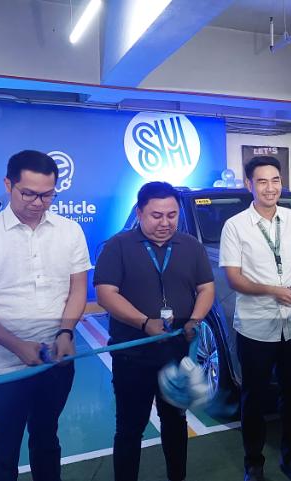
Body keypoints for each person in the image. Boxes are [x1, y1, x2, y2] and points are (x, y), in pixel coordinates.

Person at [0, 150, 92, 481]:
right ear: (8, 184)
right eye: (28, 193)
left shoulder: (70, 232)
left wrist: (66, 333)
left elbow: (76, 291)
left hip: (57, 359)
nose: (38, 202)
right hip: (5, 364)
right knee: (4, 446)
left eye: (47, 194)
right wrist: (17, 346)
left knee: (47, 438)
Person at [94, 181, 215, 481]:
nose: (165, 223)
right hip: (132, 354)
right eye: (156, 215)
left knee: (175, 422)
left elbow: (206, 288)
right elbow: (106, 293)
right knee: (129, 427)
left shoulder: (190, 246)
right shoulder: (118, 246)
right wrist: (143, 322)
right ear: (140, 212)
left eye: (171, 215)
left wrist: (195, 319)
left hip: (175, 354)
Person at [219, 156, 291, 481]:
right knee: (254, 399)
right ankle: (254, 464)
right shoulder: (235, 226)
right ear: (250, 185)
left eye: (275, 180)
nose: (270, 187)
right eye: (262, 181)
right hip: (255, 326)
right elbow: (234, 278)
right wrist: (273, 291)